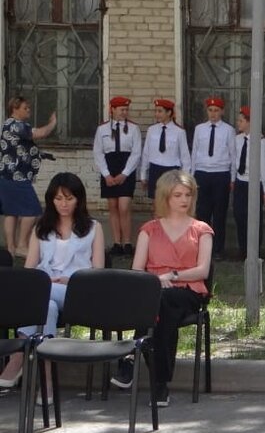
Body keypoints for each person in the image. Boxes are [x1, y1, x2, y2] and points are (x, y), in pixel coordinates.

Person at [0, 172, 105, 392]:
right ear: (51, 200)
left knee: (41, 298)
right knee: (45, 305)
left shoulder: (94, 227)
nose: (63, 204)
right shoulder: (41, 228)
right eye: (58, 198)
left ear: (79, 199)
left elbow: (98, 271)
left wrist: (69, 280)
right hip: (44, 289)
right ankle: (46, 381)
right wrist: (42, 282)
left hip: (76, 290)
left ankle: (18, 357)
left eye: (69, 198)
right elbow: (30, 269)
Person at [118, 170, 214, 408]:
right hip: (154, 289)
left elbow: (202, 270)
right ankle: (160, 384)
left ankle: (133, 353)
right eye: (177, 195)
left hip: (188, 290)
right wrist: (156, 280)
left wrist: (171, 275)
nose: (184, 200)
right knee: (162, 310)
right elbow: (137, 269)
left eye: (188, 194)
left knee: (163, 302)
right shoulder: (149, 229)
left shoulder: (202, 230)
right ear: (165, 198)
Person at [1, 96, 56, 257]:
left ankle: (10, 248)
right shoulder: (17, 126)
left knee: (11, 212)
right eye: (25, 108)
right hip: (17, 176)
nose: (28, 110)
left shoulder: (7, 124)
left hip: (6, 175)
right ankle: (22, 245)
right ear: (14, 109)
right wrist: (53, 122)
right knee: (31, 210)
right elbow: (41, 133)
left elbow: (20, 148)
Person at [92, 96, 141, 256]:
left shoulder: (133, 129)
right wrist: (106, 174)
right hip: (109, 168)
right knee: (112, 206)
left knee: (124, 206)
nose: (124, 112)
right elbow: (98, 152)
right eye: (121, 109)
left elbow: (136, 153)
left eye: (126, 110)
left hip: (126, 169)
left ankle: (127, 242)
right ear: (112, 110)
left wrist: (125, 173)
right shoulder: (103, 129)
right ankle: (116, 243)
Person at [190, 97, 236, 260]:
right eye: (210, 110)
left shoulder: (228, 130)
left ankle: (218, 249)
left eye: (216, 110)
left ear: (222, 111)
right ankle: (201, 247)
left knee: (219, 213)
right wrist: (192, 176)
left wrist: (232, 177)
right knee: (202, 213)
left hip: (221, 173)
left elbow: (233, 154)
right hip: (202, 172)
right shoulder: (200, 129)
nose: (213, 114)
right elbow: (194, 153)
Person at [232, 106, 265, 261]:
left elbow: (264, 165)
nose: (238, 123)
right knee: (239, 216)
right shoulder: (238, 139)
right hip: (241, 182)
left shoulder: (261, 142)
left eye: (241, 121)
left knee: (254, 218)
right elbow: (235, 160)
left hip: (255, 183)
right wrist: (234, 179)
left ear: (249, 122)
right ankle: (243, 249)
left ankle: (254, 251)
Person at [139, 99, 191, 201]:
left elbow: (185, 157)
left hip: (172, 170)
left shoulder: (179, 132)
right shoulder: (152, 130)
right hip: (155, 169)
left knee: (170, 202)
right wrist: (143, 175)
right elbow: (146, 153)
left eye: (160, 111)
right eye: (156, 111)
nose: (157, 114)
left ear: (169, 112)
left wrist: (185, 179)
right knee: (156, 203)